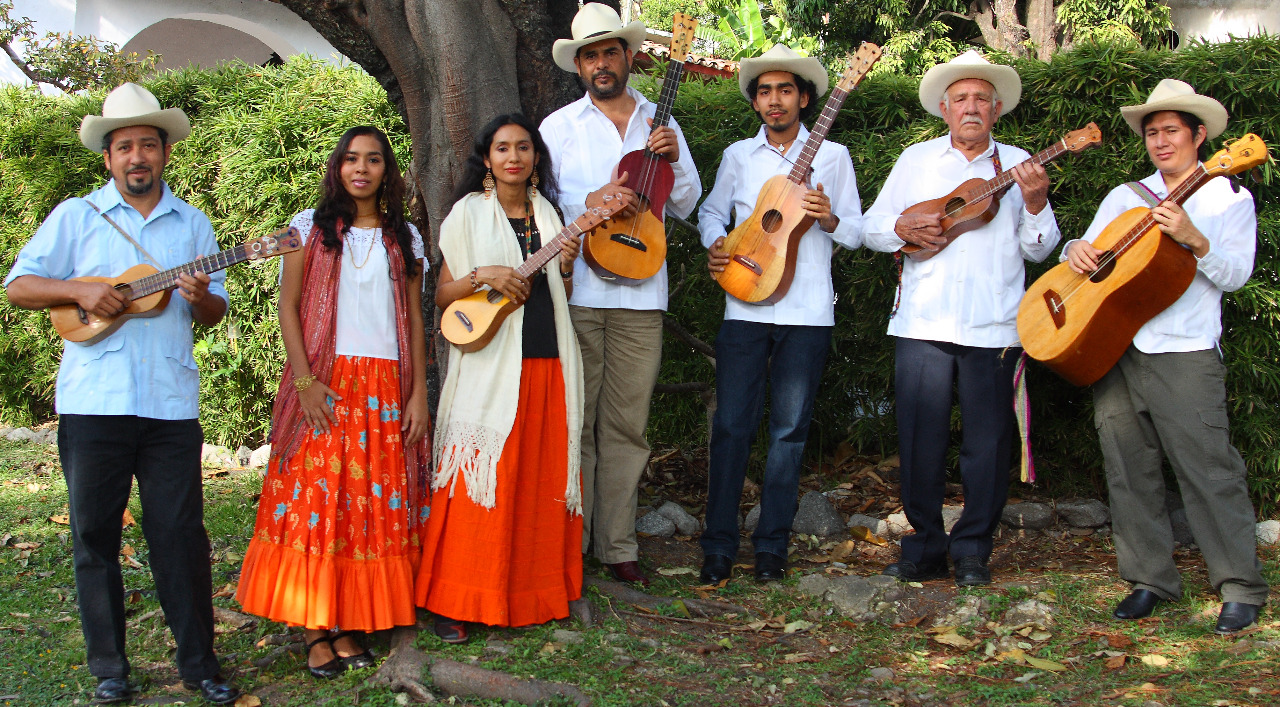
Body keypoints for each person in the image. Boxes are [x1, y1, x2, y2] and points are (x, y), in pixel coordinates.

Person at [3, 83, 240, 705]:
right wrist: (79, 290)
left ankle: (200, 665)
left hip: (169, 403)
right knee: (94, 536)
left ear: (165, 152)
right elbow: (19, 285)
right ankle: (109, 667)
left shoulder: (193, 224)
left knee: (180, 535)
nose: (138, 156)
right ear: (108, 157)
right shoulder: (76, 216)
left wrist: (201, 298)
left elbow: (214, 310)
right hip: (93, 402)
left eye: (149, 145)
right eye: (126, 146)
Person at [1061, 80, 1269, 633]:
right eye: (1152, 132)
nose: (1160, 141)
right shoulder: (1126, 195)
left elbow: (1236, 275)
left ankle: (1240, 587)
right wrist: (1074, 250)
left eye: (1171, 130)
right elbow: (1085, 253)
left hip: (1185, 351)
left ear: (1199, 136)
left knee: (1209, 470)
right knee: (1128, 468)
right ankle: (1149, 580)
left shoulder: (1228, 197)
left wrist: (1196, 240)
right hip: (1116, 346)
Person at [236, 126, 430, 677]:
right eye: (351, 159)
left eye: (373, 160)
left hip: (387, 387)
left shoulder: (406, 238)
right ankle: (314, 627)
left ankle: (349, 620)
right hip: (326, 381)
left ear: (387, 172)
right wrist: (305, 382)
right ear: (337, 167)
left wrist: (418, 393)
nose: (361, 169)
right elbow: (289, 306)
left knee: (367, 506)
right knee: (317, 499)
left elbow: (415, 319)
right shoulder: (308, 229)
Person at [863, 51, 1061, 587]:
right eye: (961, 99)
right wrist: (902, 227)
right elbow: (872, 227)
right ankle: (925, 547)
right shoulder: (916, 160)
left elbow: (1040, 249)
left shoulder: (1020, 165)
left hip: (995, 325)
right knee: (919, 442)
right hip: (922, 323)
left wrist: (1037, 203)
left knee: (988, 446)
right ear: (945, 110)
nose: (971, 107)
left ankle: (973, 549)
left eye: (981, 99)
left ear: (996, 110)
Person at [540, 3, 702, 586]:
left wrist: (676, 160)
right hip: (579, 292)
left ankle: (617, 545)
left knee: (628, 427)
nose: (602, 63)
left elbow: (685, 203)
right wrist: (593, 200)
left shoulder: (661, 122)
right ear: (578, 65)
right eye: (591, 56)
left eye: (611, 52)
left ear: (629, 57)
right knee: (576, 423)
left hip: (643, 297)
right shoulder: (558, 127)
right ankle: (572, 543)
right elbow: (540, 204)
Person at [698, 45, 864, 583]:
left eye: (785, 90)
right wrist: (716, 242)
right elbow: (709, 212)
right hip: (743, 304)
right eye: (765, 91)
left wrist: (829, 218)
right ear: (755, 103)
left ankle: (772, 547)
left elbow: (858, 232)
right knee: (731, 426)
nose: (775, 100)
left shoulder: (833, 156)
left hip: (807, 311)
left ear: (805, 98)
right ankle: (718, 546)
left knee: (789, 432)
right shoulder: (738, 156)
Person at [416, 114, 584, 644]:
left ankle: (532, 596)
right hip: (490, 367)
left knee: (536, 484)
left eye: (524, 148)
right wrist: (482, 275)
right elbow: (443, 296)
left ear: (536, 158)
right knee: (479, 481)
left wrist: (567, 266)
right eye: (503, 148)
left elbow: (561, 294)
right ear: (487, 160)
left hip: (547, 363)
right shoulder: (468, 213)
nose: (514, 157)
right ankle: (456, 600)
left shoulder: (550, 214)